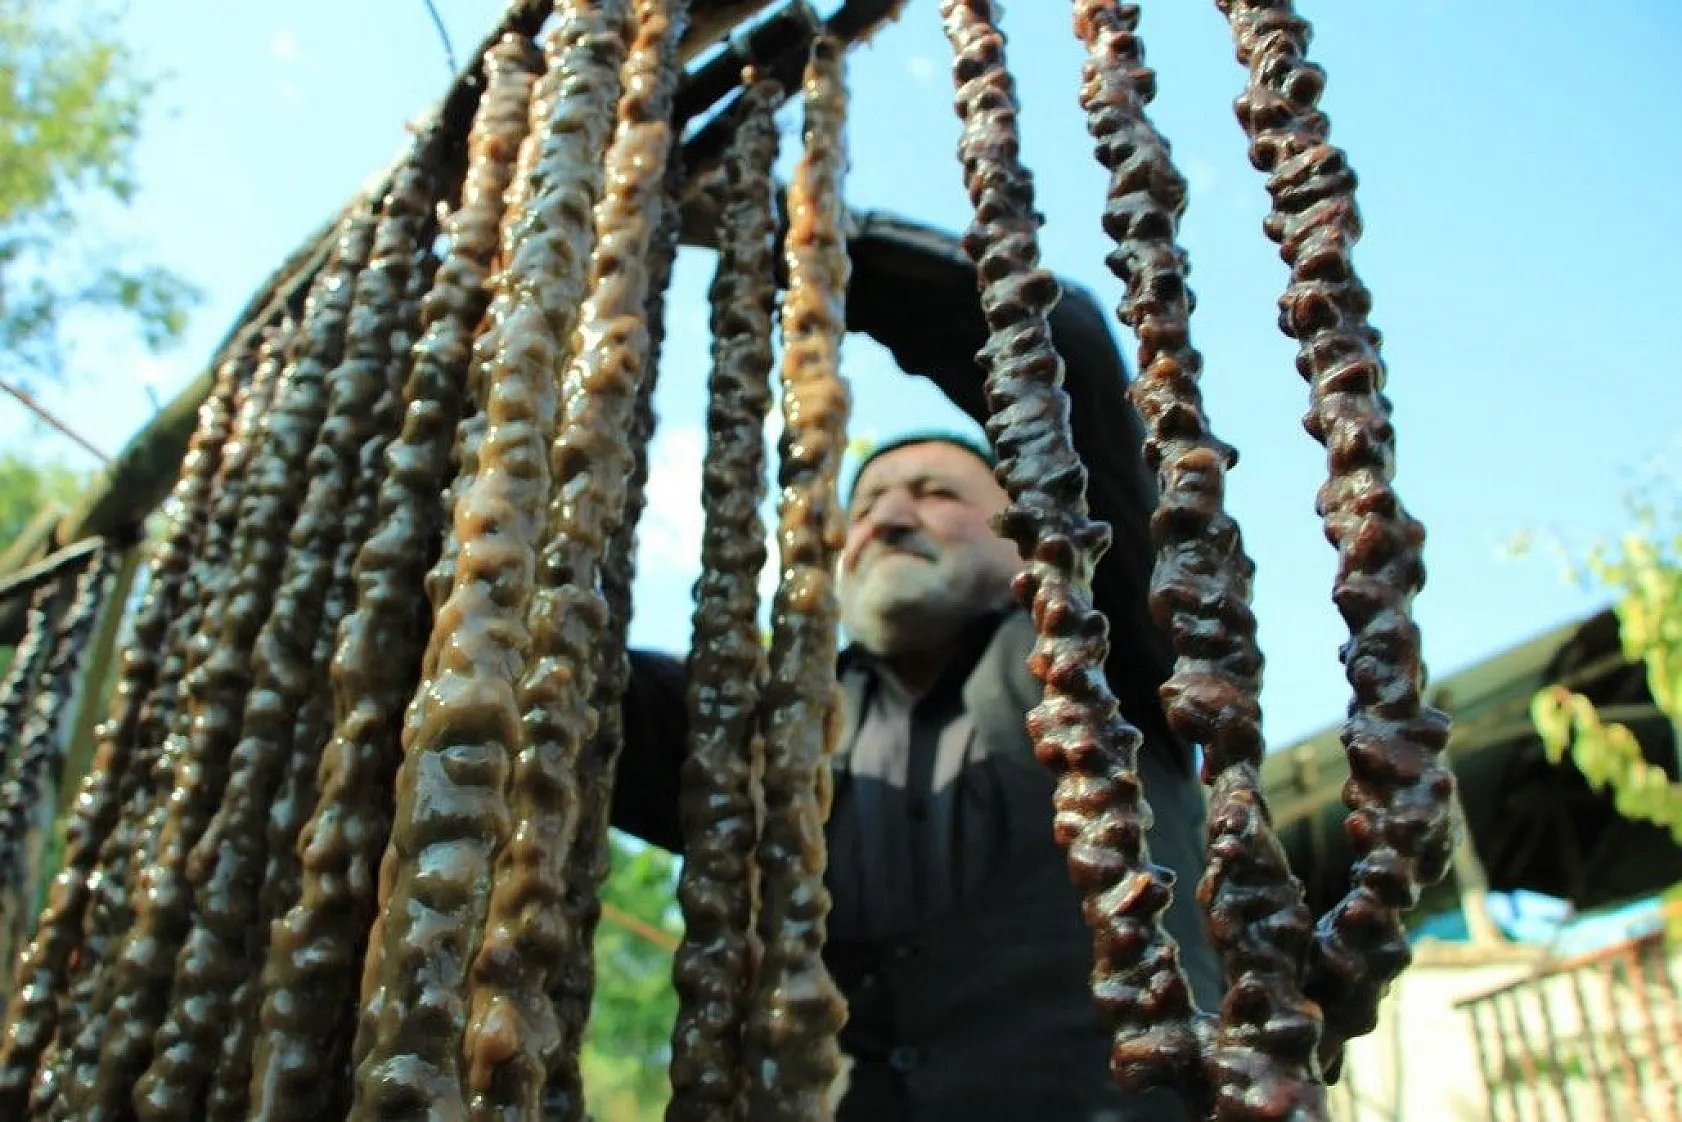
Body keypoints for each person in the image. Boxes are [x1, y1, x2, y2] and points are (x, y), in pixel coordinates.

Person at [610, 212, 1222, 1121]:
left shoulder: (1108, 654)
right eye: (867, 506)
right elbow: (549, 684)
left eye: (936, 495)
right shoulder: (762, 732)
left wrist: (800, 232)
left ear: (1027, 542)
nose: (890, 518)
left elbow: (1065, 347)